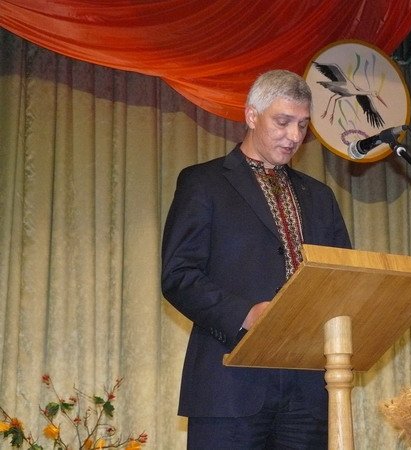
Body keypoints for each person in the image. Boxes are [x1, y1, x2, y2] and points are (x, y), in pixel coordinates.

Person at [161, 69, 352, 449]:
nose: (294, 136)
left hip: (308, 392)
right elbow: (178, 275)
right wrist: (245, 314)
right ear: (251, 115)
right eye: (283, 122)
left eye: (302, 125)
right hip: (229, 385)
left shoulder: (320, 197)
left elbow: (342, 278)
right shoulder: (203, 182)